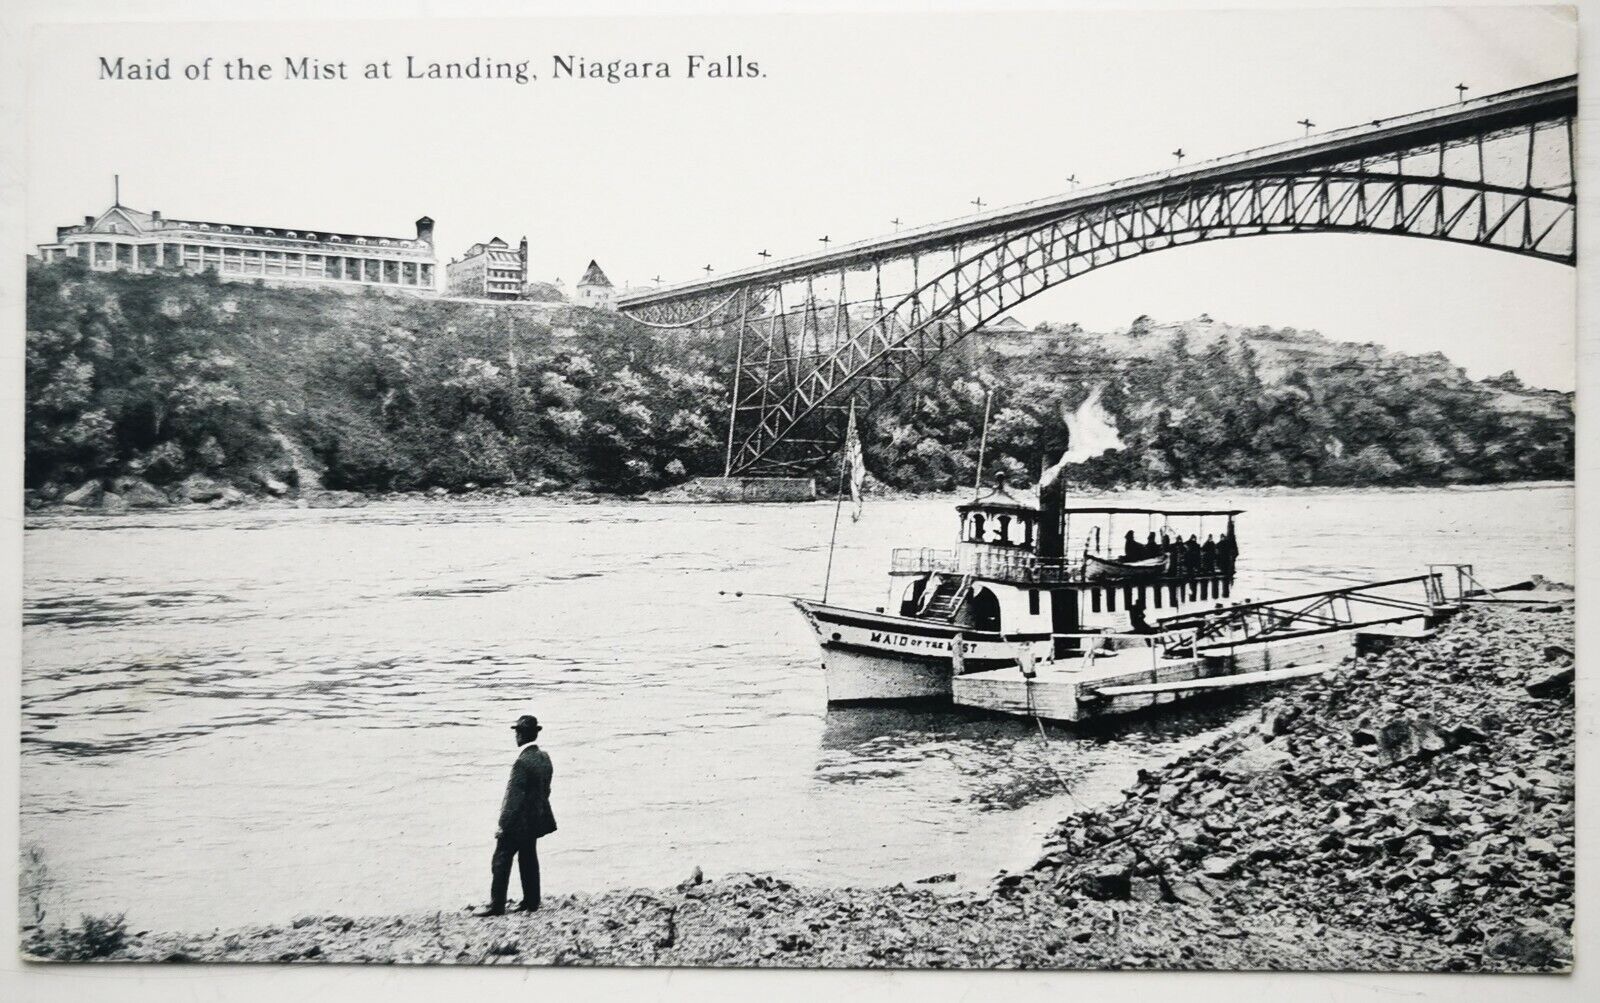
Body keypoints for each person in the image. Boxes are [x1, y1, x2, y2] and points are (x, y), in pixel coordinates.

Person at [475, 714, 556, 917]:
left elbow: (513, 799)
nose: (516, 736)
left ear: (521, 735)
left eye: (518, 732)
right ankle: (532, 901)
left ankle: (497, 905)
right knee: (529, 858)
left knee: (501, 859)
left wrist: (503, 825)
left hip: (518, 822)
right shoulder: (544, 757)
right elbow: (546, 791)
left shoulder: (521, 762)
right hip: (535, 820)